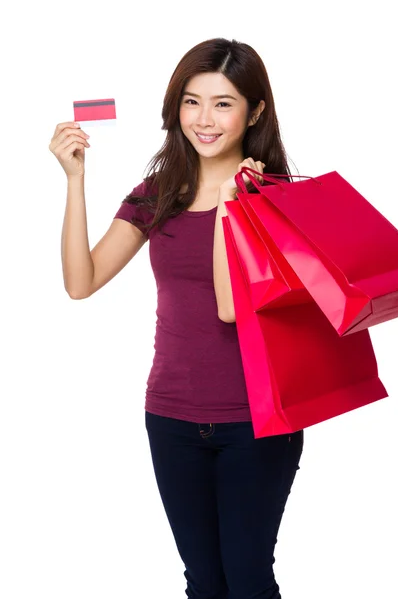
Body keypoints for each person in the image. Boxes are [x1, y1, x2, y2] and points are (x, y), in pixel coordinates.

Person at [50, 37, 304, 599]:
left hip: (256, 422)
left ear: (254, 111)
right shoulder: (157, 194)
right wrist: (75, 180)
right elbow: (80, 282)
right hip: (170, 417)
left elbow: (230, 305)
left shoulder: (275, 197)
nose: (204, 119)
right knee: (204, 583)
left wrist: (235, 206)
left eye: (223, 103)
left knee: (248, 580)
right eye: (192, 101)